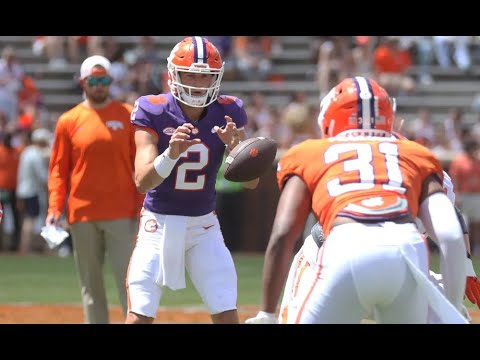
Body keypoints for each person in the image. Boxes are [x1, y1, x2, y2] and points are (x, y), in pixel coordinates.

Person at [246, 76, 467, 324]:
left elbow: (283, 234)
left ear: (329, 117)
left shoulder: (309, 152)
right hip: (407, 251)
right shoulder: (416, 153)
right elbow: (451, 235)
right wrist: (453, 306)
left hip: (345, 248)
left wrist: (266, 312)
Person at [125, 36, 259, 324]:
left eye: (205, 77)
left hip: (204, 227)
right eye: (191, 75)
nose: (198, 84)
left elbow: (252, 184)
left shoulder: (229, 110)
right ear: (174, 74)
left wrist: (236, 151)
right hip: (157, 225)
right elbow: (142, 181)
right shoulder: (153, 108)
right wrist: (170, 154)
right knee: (139, 315)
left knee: (226, 312)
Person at [46, 55, 141, 324]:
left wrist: (144, 206)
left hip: (122, 213)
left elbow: (141, 166)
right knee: (91, 287)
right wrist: (55, 207)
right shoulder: (69, 120)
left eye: (104, 80)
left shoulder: (128, 114)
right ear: (82, 82)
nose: (99, 86)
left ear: (110, 81)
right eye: (93, 80)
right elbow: (58, 170)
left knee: (131, 283)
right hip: (82, 214)